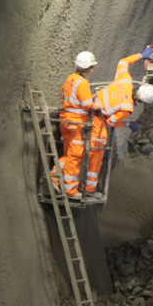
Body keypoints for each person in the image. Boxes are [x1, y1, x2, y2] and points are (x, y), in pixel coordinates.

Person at [85, 47, 153, 197]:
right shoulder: (127, 108)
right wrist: (127, 124)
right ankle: (89, 189)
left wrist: (140, 55)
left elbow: (123, 62)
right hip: (96, 120)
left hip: (90, 102)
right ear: (143, 101)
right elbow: (111, 122)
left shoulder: (126, 81)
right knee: (96, 155)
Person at [55, 51, 99, 198]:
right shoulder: (82, 82)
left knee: (68, 154)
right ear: (89, 68)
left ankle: (54, 178)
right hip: (77, 124)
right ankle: (70, 191)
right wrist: (97, 106)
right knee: (75, 157)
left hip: (65, 120)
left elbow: (63, 96)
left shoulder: (71, 78)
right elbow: (87, 105)